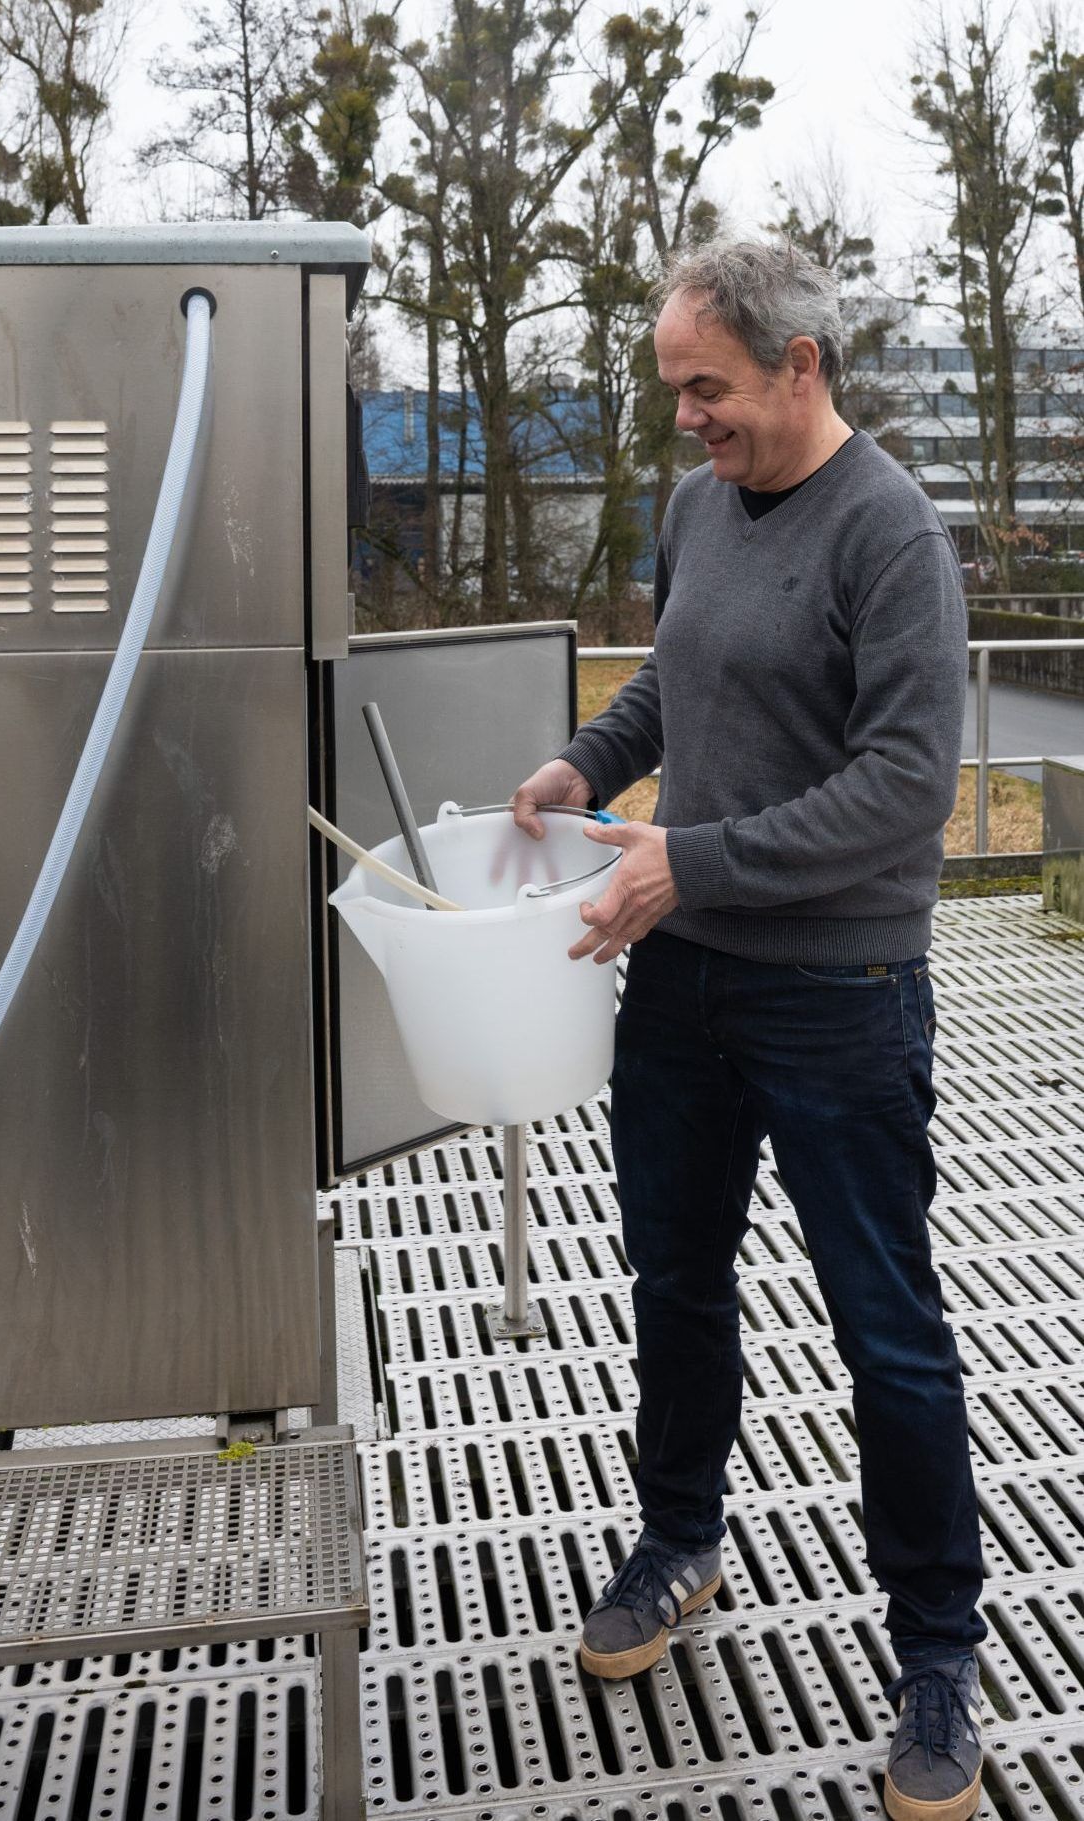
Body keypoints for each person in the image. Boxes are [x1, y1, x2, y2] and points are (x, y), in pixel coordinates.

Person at [512, 240, 985, 1821]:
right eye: (671, 393)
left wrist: (690, 860)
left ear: (799, 364)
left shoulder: (892, 536)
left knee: (885, 1326)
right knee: (674, 1280)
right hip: (684, 979)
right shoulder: (698, 509)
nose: (686, 421)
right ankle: (678, 1541)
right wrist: (586, 765)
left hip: (838, 993)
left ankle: (936, 1648)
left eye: (705, 388)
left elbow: (903, 786)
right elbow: (675, 683)